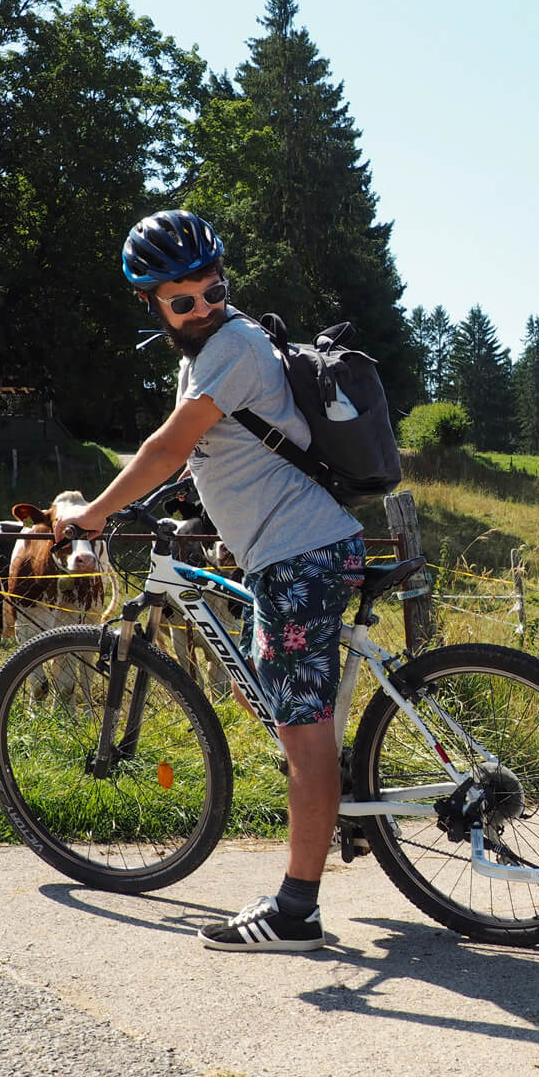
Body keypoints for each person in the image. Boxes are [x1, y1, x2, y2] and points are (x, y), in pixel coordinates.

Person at [68, 209, 366, 952]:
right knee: (260, 688)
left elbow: (169, 444)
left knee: (301, 731)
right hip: (289, 552)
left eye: (213, 288)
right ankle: (339, 791)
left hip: (302, 553)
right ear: (152, 304)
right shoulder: (205, 357)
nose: (203, 306)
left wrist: (95, 514)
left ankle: (297, 912)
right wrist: (180, 502)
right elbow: (219, 448)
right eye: (183, 299)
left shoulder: (231, 341)